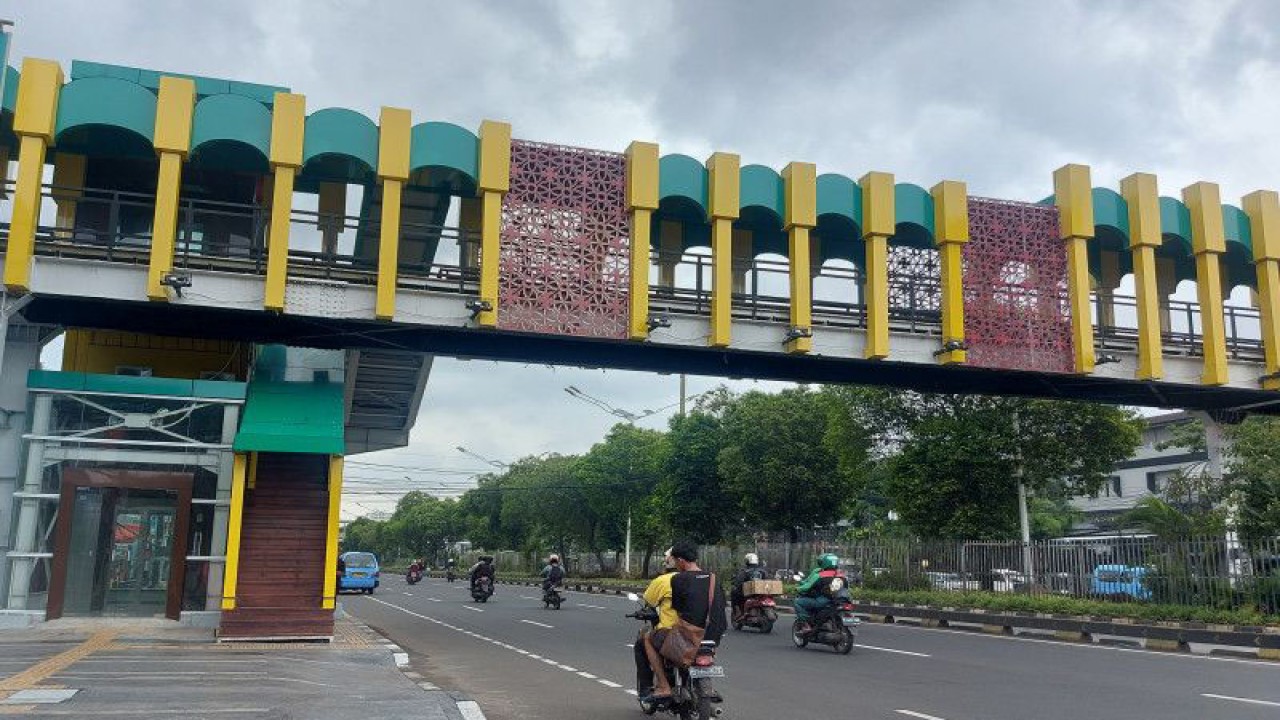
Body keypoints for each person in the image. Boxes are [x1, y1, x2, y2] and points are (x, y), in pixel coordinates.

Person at [640, 540, 727, 703]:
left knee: (648, 638)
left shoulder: (679, 579)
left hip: (690, 636)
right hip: (713, 636)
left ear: (680, 561)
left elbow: (679, 609)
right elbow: (721, 605)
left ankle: (664, 686)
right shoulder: (714, 578)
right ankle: (706, 685)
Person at [633, 551, 678, 701]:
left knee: (643, 641)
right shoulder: (702, 579)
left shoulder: (663, 580)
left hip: (670, 631)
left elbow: (649, 603)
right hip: (701, 632)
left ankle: (649, 687)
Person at [793, 553, 846, 632]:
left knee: (798, 602)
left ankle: (806, 624)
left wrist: (797, 588)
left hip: (824, 601)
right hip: (840, 601)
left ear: (824, 563)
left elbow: (807, 587)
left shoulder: (820, 575)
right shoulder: (842, 576)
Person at [730, 552, 767, 621]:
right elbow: (767, 581)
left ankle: (738, 612)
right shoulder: (763, 571)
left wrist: (735, 584)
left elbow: (738, 582)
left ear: (747, 561)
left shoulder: (745, 571)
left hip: (748, 593)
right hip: (761, 592)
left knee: (733, 592)